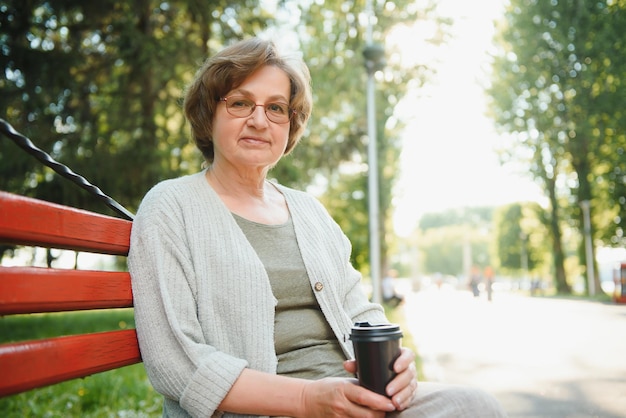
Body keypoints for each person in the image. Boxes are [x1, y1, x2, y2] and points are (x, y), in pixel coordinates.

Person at [128, 37, 507, 418]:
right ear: (210, 112)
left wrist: (396, 363)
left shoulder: (309, 211)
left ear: (290, 126)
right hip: (265, 409)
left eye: (276, 108)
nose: (259, 120)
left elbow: (360, 312)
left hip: (356, 400)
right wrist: (307, 400)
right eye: (241, 102)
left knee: (475, 406)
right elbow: (176, 364)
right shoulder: (170, 207)